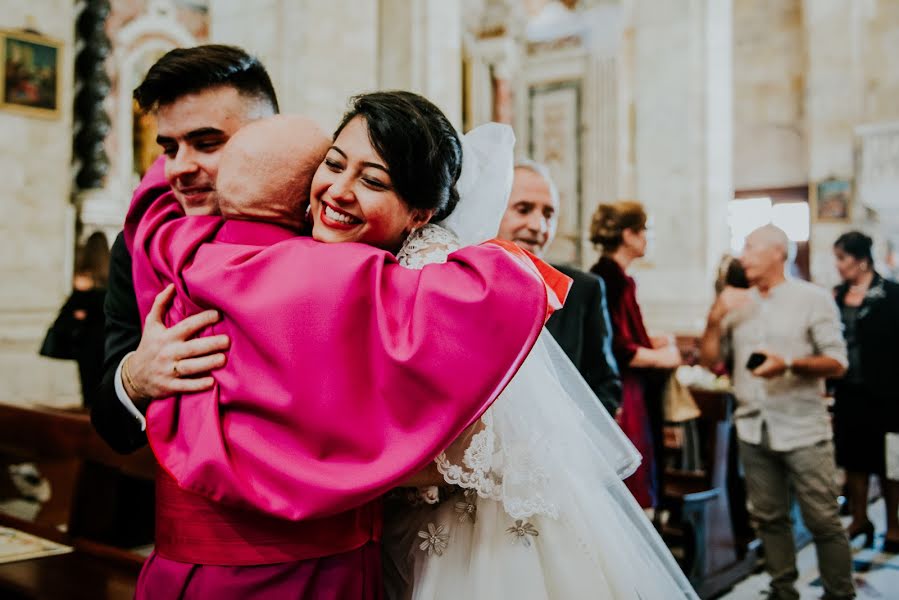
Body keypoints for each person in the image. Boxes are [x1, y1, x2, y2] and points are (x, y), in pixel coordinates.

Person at [131, 94, 695, 599]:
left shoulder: (411, 285)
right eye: (332, 164)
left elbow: (479, 434)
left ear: (421, 213)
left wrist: (330, 465)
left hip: (456, 546)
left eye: (373, 181)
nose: (338, 191)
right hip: (368, 545)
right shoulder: (294, 254)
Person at [91, 44, 277, 454]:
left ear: (269, 137)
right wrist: (136, 379)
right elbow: (108, 422)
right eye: (170, 148)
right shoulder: (140, 244)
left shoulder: (325, 226)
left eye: (207, 143)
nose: (178, 168)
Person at [699, 225, 854, 600]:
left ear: (777, 253)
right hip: (753, 428)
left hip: (802, 427)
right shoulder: (737, 303)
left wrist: (786, 364)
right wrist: (715, 318)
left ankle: (839, 593)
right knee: (768, 518)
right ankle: (783, 590)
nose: (742, 256)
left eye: (750, 247)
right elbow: (709, 361)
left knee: (822, 519)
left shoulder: (812, 299)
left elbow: (837, 362)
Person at [496, 159, 621, 414]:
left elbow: (605, 385)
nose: (538, 226)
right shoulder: (460, 288)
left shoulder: (583, 290)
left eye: (548, 214)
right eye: (523, 209)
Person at [589, 201, 681, 511]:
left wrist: (651, 341)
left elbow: (621, 333)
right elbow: (618, 348)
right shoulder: (607, 277)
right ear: (629, 234)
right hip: (623, 392)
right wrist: (666, 357)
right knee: (630, 472)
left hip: (633, 388)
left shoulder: (619, 276)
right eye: (646, 231)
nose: (648, 238)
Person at [832, 231, 899, 553]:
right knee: (853, 459)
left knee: (889, 461)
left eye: (843, 258)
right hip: (849, 390)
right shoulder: (838, 296)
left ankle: (894, 525)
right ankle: (860, 519)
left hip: (887, 391)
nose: (839, 266)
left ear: (861, 260)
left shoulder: (892, 294)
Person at [40, 231, 110, 407]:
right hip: (108, 342)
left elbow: (71, 312)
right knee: (107, 391)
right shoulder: (112, 279)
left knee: (89, 392)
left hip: (87, 344)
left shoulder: (83, 279)